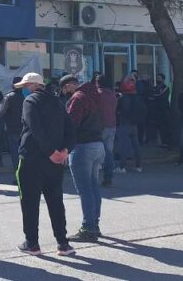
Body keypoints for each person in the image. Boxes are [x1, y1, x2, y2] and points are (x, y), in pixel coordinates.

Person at [14, 73, 75, 257]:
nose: (24, 89)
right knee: (56, 201)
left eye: (25, 86)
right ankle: (63, 243)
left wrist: (50, 151)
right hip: (55, 161)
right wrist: (64, 151)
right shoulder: (57, 102)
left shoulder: (30, 101)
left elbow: (35, 128)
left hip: (32, 159)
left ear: (34, 85)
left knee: (29, 202)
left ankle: (32, 243)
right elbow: (71, 129)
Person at [60, 74, 104, 243]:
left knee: (85, 190)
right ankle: (94, 224)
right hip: (98, 144)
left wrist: (63, 146)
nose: (66, 93)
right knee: (93, 187)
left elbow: (71, 125)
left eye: (65, 89)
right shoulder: (95, 94)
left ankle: (88, 228)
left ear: (69, 85)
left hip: (82, 146)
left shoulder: (77, 98)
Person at [115, 79, 145, 173]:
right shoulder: (138, 98)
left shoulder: (123, 98)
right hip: (134, 124)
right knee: (136, 146)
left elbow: (117, 109)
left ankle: (122, 166)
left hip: (124, 123)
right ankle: (138, 166)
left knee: (123, 146)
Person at [96, 75, 118, 186]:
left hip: (101, 125)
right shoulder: (112, 94)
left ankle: (94, 176)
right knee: (109, 152)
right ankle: (108, 177)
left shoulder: (98, 94)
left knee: (96, 151)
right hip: (112, 124)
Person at [0, 76, 25, 170]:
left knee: (14, 150)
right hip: (24, 127)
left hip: (12, 127)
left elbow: (1, 112)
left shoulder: (9, 97)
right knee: (23, 149)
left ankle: (18, 170)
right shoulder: (25, 96)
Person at [147, 74, 171, 147]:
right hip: (155, 110)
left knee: (164, 127)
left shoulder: (165, 88)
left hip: (163, 110)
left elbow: (161, 97)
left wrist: (155, 97)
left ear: (163, 79)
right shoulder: (154, 88)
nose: (158, 79)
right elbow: (150, 96)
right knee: (157, 126)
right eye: (157, 78)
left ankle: (166, 142)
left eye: (159, 78)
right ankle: (156, 141)